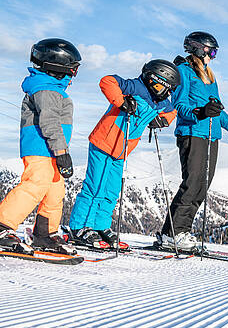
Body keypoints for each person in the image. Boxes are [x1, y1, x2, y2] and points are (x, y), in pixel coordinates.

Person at [0, 38, 81, 255]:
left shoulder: (52, 88)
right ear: (58, 66)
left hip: (51, 148)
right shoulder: (47, 89)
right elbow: (49, 122)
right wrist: (62, 152)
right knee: (35, 184)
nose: (73, 74)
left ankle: (45, 234)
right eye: (73, 69)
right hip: (41, 147)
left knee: (55, 190)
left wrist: (60, 151)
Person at [67, 59, 179, 250]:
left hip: (122, 151)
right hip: (103, 143)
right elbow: (107, 81)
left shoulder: (160, 101)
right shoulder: (135, 87)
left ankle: (100, 226)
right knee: (95, 187)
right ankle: (80, 227)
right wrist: (122, 101)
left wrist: (161, 121)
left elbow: (171, 111)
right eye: (167, 89)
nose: (169, 94)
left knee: (111, 190)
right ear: (156, 81)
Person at [158, 31, 228, 251]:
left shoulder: (209, 76)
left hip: (212, 136)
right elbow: (179, 105)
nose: (213, 56)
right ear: (198, 49)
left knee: (202, 187)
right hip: (192, 133)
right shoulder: (183, 71)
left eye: (215, 52)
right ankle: (174, 233)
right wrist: (200, 112)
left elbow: (217, 108)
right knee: (191, 184)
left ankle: (179, 231)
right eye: (212, 51)